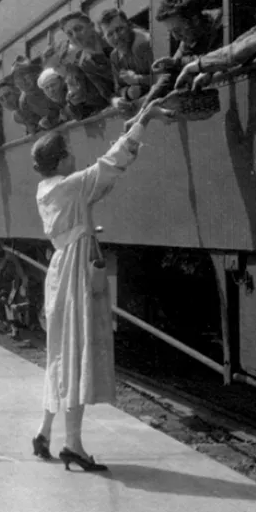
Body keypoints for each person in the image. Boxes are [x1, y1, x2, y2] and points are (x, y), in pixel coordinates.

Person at [30, 99, 172, 471]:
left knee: (59, 352)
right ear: (61, 160)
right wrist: (145, 118)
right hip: (75, 270)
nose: (74, 157)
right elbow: (113, 162)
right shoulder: (71, 187)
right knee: (75, 351)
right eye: (70, 153)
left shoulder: (46, 189)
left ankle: (45, 432)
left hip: (61, 269)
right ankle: (73, 444)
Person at [98, 8, 154, 114]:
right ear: (104, 38)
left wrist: (138, 80)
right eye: (110, 34)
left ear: (129, 25)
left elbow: (166, 77)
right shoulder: (114, 56)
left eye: (119, 29)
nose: (116, 37)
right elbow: (118, 89)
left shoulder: (143, 44)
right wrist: (126, 93)